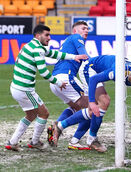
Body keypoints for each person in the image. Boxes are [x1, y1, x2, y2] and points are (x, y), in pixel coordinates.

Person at [5, 24, 87, 151]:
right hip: (24, 89)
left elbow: (55, 54)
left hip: (16, 87)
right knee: (44, 113)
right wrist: (58, 83)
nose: (49, 38)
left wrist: (74, 57)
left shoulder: (30, 45)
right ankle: (35, 141)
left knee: (31, 115)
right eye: (46, 35)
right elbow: (43, 72)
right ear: (38, 36)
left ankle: (13, 142)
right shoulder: (37, 50)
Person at [52, 55, 131, 152]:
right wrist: (91, 102)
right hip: (89, 68)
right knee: (104, 102)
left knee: (94, 110)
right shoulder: (118, 72)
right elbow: (94, 79)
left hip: (100, 71)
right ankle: (91, 139)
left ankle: (72, 139)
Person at [48, 21, 90, 150]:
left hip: (56, 81)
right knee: (92, 108)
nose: (86, 31)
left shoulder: (69, 40)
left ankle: (56, 129)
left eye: (88, 29)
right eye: (83, 28)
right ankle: (75, 139)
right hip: (67, 78)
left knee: (76, 108)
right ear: (75, 31)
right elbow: (86, 58)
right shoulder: (76, 38)